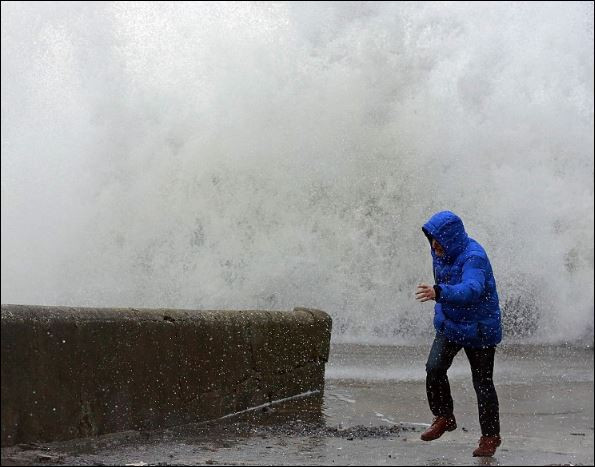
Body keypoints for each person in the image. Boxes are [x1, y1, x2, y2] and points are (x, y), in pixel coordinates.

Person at [415, 210, 502, 457]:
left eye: (438, 239)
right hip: (451, 324)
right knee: (434, 368)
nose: (434, 244)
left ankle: (490, 437)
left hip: (479, 328)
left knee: (483, 384)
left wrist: (438, 292)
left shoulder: (473, 257)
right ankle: (444, 416)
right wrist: (439, 298)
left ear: (451, 238)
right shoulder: (440, 254)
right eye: (431, 238)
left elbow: (472, 289)